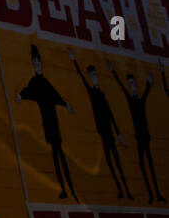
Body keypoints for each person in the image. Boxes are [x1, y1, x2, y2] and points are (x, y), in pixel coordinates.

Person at [16, 44, 76, 200]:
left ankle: (69, 188)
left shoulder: (45, 81)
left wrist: (65, 104)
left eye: (37, 60)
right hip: (48, 122)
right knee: (57, 155)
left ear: (40, 62)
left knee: (60, 154)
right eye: (34, 61)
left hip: (53, 121)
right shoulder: (35, 82)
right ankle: (64, 188)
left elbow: (55, 96)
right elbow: (27, 91)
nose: (36, 63)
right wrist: (21, 96)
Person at [68, 49, 129, 199]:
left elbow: (111, 114)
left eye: (95, 75)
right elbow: (81, 77)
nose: (94, 77)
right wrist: (73, 60)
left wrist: (119, 133)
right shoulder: (92, 93)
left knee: (117, 163)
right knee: (110, 162)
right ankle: (120, 189)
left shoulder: (102, 94)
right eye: (92, 75)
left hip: (109, 132)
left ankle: (126, 190)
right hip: (103, 133)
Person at [110, 61, 164, 202]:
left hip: (146, 136)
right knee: (143, 164)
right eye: (130, 83)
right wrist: (113, 72)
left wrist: (150, 81)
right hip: (139, 137)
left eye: (133, 82)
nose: (132, 85)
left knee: (150, 164)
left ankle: (156, 193)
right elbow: (122, 88)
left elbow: (147, 89)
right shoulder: (131, 101)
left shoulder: (141, 100)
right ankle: (151, 194)